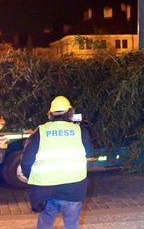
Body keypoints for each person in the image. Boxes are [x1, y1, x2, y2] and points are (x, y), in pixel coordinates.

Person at [20, 95, 92, 229]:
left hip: (47, 190)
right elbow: (89, 153)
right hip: (74, 189)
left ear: (50, 114)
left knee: (45, 224)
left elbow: (26, 161)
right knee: (71, 224)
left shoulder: (40, 132)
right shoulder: (80, 131)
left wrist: (35, 178)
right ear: (70, 113)